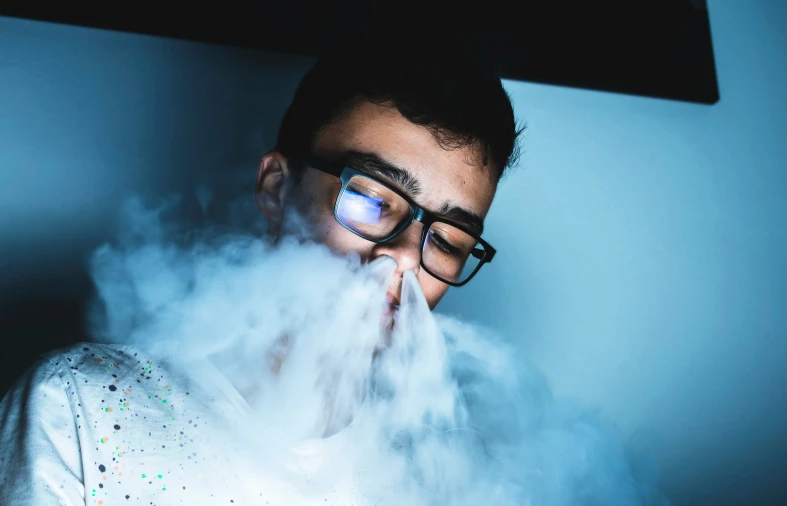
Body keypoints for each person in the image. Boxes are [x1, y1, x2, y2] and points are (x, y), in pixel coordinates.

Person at [0, 34, 523, 504]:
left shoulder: (445, 470)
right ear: (277, 188)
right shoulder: (80, 407)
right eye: (371, 200)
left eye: (450, 241)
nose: (406, 256)